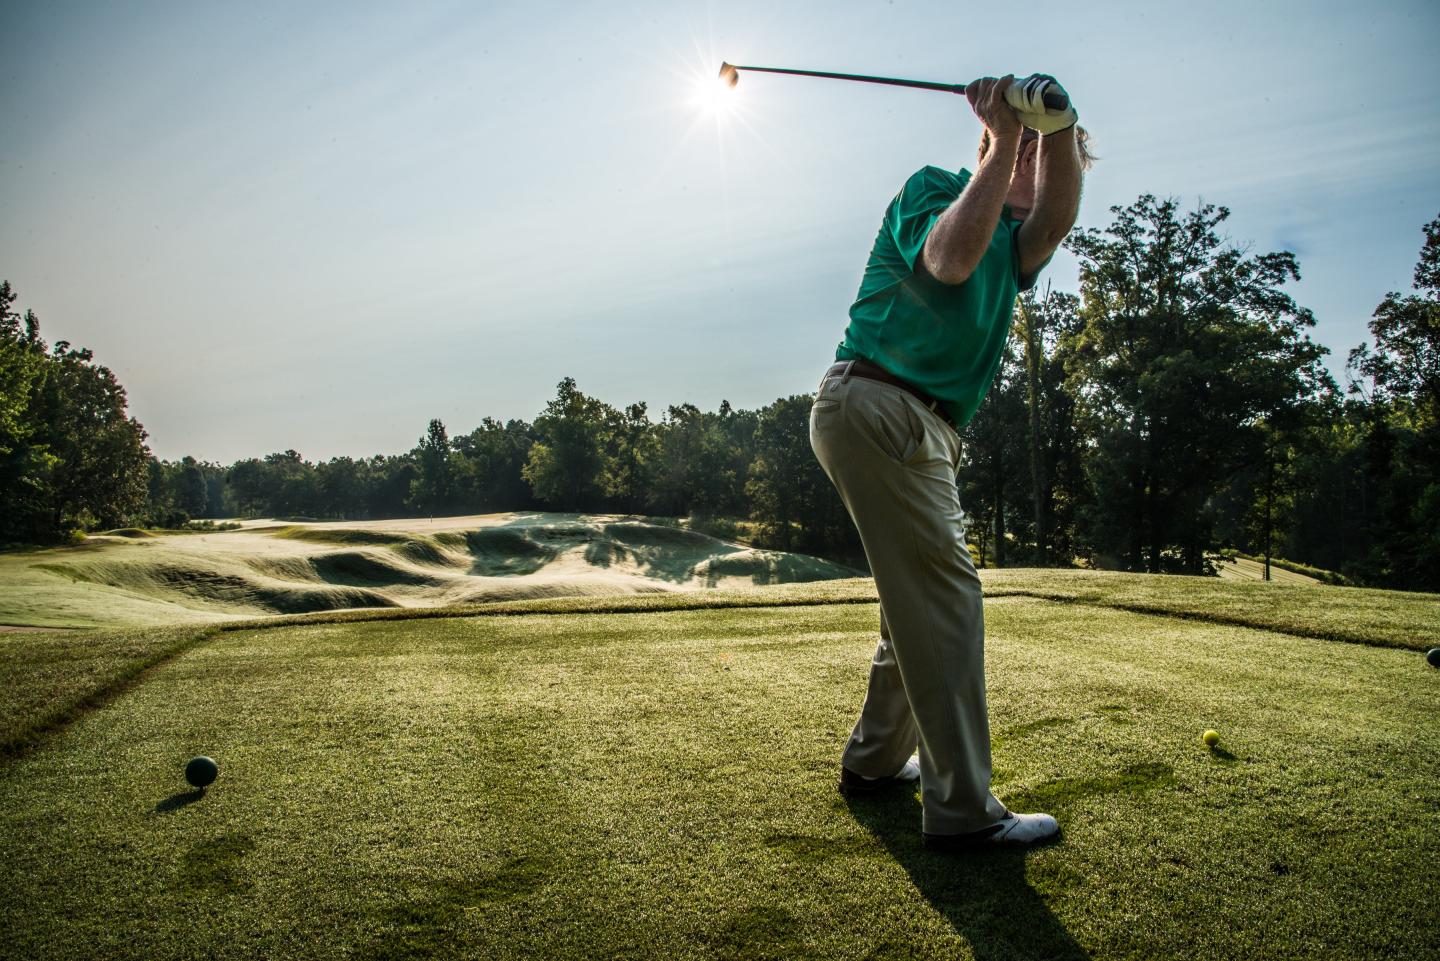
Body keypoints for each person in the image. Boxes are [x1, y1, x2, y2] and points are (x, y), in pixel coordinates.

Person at [810, 74, 1092, 851]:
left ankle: (873, 762)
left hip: (913, 425)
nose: (1034, 160)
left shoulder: (1021, 244)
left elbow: (1058, 214)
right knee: (949, 599)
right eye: (1020, 147)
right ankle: (964, 810)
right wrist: (1009, 137)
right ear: (991, 147)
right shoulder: (934, 188)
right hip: (878, 401)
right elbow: (948, 262)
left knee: (918, 606)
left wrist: (1061, 123)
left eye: (1046, 152)